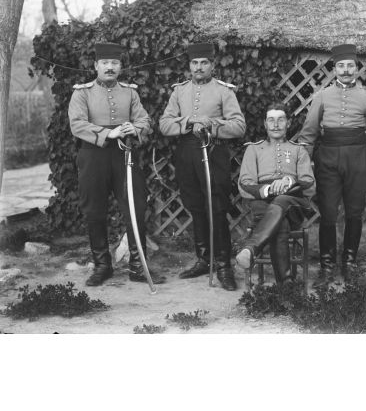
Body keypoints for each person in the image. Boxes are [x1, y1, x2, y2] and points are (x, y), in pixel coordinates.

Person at [68, 42, 164, 286]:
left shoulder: (130, 93)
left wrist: (136, 128)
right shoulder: (82, 93)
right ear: (96, 65)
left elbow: (144, 120)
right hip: (93, 155)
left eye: (114, 63)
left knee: (135, 206)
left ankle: (137, 266)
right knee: (94, 210)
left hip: (125, 154)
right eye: (105, 63)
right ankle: (102, 265)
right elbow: (77, 124)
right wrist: (107, 133)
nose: (109, 67)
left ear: (120, 66)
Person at [298, 43, 366, 286]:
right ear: (334, 69)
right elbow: (308, 134)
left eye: (350, 65)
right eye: (341, 66)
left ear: (357, 68)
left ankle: (349, 264)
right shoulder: (322, 96)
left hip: (358, 159)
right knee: (328, 213)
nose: (346, 70)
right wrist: (305, 165)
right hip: (327, 158)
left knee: (354, 212)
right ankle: (327, 266)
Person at [159, 42, 246, 291]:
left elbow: (239, 126)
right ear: (189, 65)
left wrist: (212, 124)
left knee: (216, 207)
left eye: (204, 63)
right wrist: (189, 121)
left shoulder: (223, 91)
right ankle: (204, 259)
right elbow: (165, 124)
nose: (199, 67)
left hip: (213, 151)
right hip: (187, 152)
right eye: (195, 63)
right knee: (195, 206)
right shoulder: (179, 92)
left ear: (212, 65)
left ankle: (224, 265)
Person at [235, 102, 316, 284]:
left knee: (283, 199)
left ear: (288, 123)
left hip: (293, 204)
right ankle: (286, 286)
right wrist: (269, 189)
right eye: (271, 120)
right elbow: (245, 184)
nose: (276, 125)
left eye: (281, 120)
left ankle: (251, 249)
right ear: (265, 124)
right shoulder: (254, 149)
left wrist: (289, 182)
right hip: (263, 202)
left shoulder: (298, 150)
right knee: (281, 224)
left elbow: (310, 184)